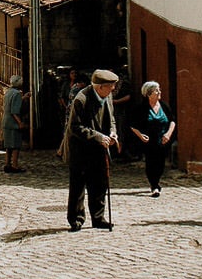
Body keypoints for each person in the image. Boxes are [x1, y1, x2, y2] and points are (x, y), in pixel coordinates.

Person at [64, 68, 120, 231]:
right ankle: (76, 219)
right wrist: (98, 137)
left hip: (100, 148)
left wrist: (112, 133)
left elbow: (112, 120)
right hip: (81, 149)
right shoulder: (81, 100)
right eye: (110, 86)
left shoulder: (107, 96)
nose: (113, 89)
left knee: (100, 183)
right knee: (78, 185)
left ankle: (98, 217)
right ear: (99, 86)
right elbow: (75, 127)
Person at [130, 81, 176, 196]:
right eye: (156, 90)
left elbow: (172, 121)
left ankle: (157, 181)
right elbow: (132, 125)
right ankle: (154, 185)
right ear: (149, 94)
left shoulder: (164, 106)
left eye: (159, 89)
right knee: (151, 163)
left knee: (160, 163)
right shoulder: (141, 108)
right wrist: (141, 135)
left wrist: (168, 134)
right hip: (149, 141)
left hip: (163, 140)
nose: (159, 92)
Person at [1, 76, 28, 173]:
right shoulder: (17, 93)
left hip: (6, 121)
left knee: (8, 145)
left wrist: (23, 98)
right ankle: (15, 165)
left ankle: (7, 164)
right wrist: (20, 123)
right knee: (16, 145)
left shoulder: (8, 92)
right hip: (13, 123)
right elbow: (14, 111)